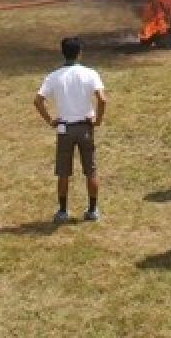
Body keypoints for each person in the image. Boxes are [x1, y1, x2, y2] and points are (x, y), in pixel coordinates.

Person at [34, 37, 107, 223]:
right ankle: (92, 210)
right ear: (79, 52)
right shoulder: (90, 73)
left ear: (62, 52)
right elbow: (102, 99)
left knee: (63, 172)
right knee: (90, 170)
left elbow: (38, 100)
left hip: (64, 128)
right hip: (85, 127)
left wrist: (50, 120)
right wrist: (97, 120)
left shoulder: (54, 76)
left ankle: (63, 210)